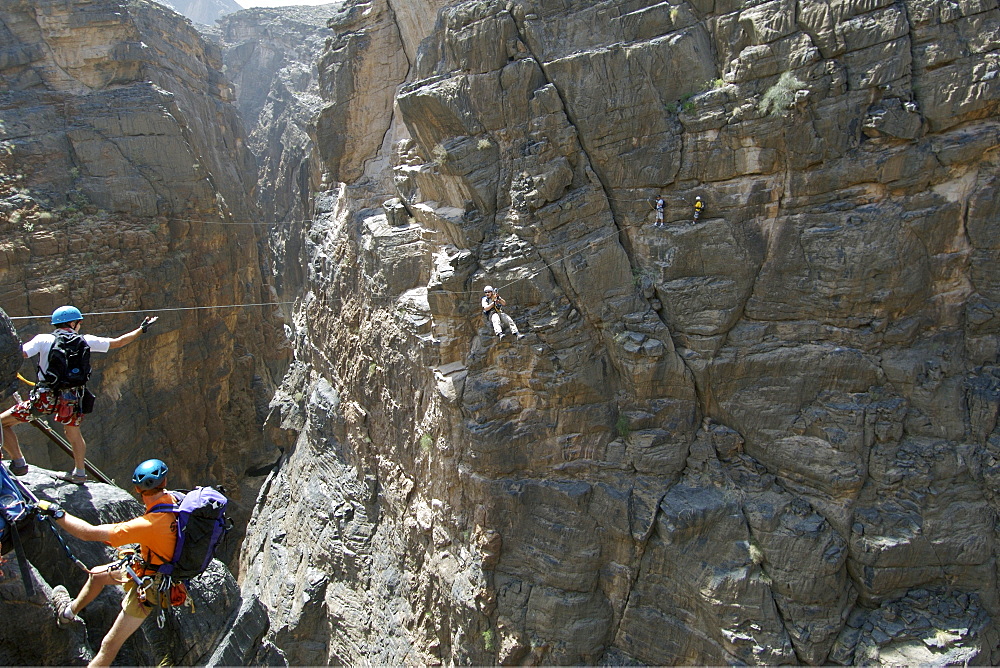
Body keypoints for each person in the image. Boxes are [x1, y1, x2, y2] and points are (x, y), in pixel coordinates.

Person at [41, 459, 177, 668]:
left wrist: (57, 514)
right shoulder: (175, 501)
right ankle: (68, 614)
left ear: (137, 489)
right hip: (149, 568)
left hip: (151, 587)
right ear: (165, 481)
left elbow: (87, 533)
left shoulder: (147, 525)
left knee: (109, 645)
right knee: (97, 575)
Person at [1, 306, 157, 483]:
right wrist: (141, 329)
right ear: (73, 323)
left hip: (45, 398)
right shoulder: (85, 340)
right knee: (73, 433)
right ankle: (79, 472)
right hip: (72, 398)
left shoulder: (43, 339)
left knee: (2, 423)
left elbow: (19, 354)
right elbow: (118, 342)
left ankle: (19, 462)